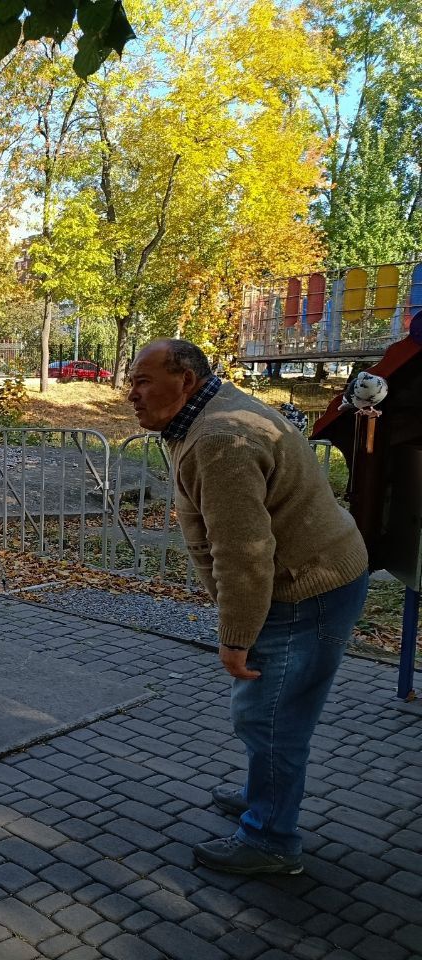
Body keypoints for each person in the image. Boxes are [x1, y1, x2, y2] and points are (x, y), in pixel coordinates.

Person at [127, 339, 368, 876]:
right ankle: (265, 797)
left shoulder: (220, 438)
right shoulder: (205, 413)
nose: (131, 395)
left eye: (142, 381)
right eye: (131, 382)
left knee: (270, 720)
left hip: (305, 591)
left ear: (185, 380)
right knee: (270, 715)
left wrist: (235, 637)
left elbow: (244, 553)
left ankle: (271, 840)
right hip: (312, 577)